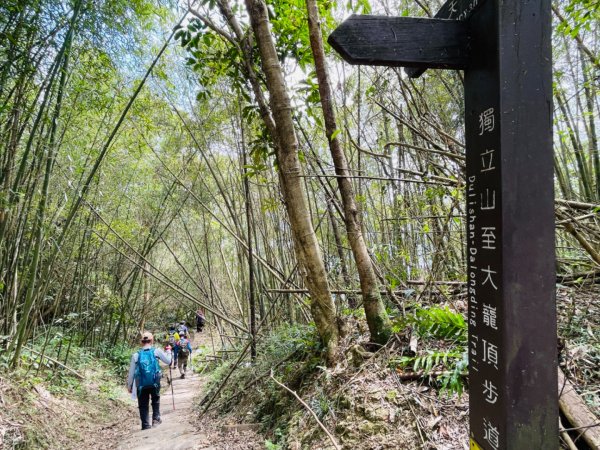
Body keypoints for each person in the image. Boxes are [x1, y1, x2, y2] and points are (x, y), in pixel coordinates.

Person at [126, 331, 171, 430]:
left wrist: (129, 386)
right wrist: (168, 352)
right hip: (154, 381)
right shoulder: (156, 351)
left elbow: (131, 373)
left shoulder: (136, 355)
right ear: (152, 341)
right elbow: (168, 361)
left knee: (142, 404)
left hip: (140, 384)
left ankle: (145, 425)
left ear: (141, 342)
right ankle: (155, 419)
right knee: (155, 399)